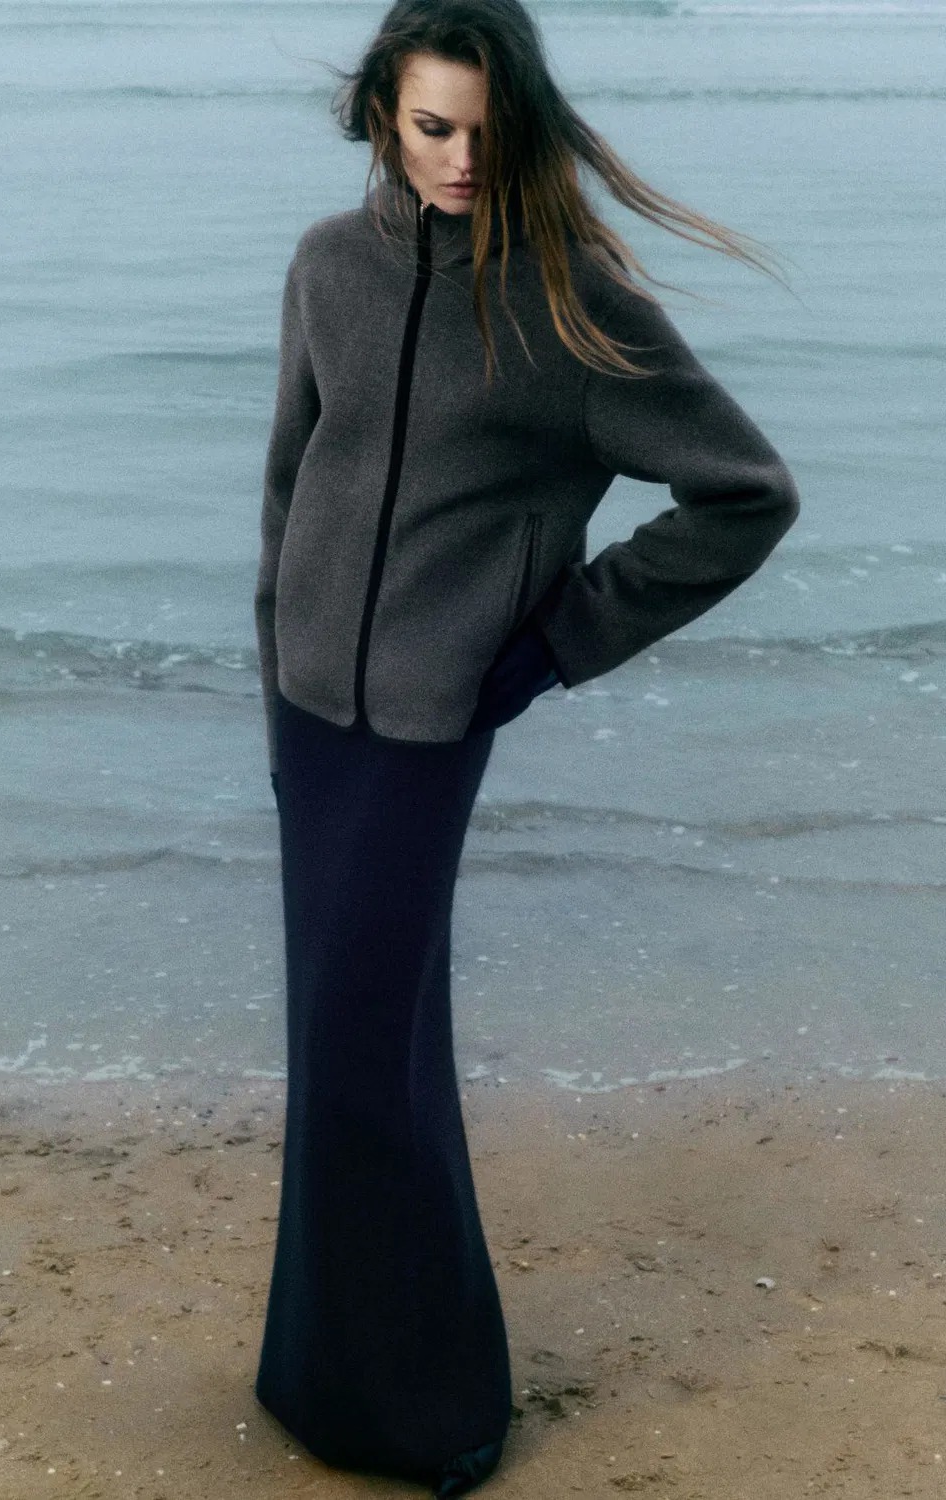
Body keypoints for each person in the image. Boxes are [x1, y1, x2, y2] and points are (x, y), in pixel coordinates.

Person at [252, 2, 801, 1495]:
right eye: (433, 125)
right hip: (309, 711)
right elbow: (293, 476)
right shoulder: (328, 266)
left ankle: (431, 1409)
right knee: (343, 1051)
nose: (459, 159)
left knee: (365, 1061)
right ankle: (316, 1379)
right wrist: (274, 655)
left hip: (431, 722)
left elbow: (746, 495)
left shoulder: (570, 307)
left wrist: (558, 640)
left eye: (488, 135)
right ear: (384, 110)